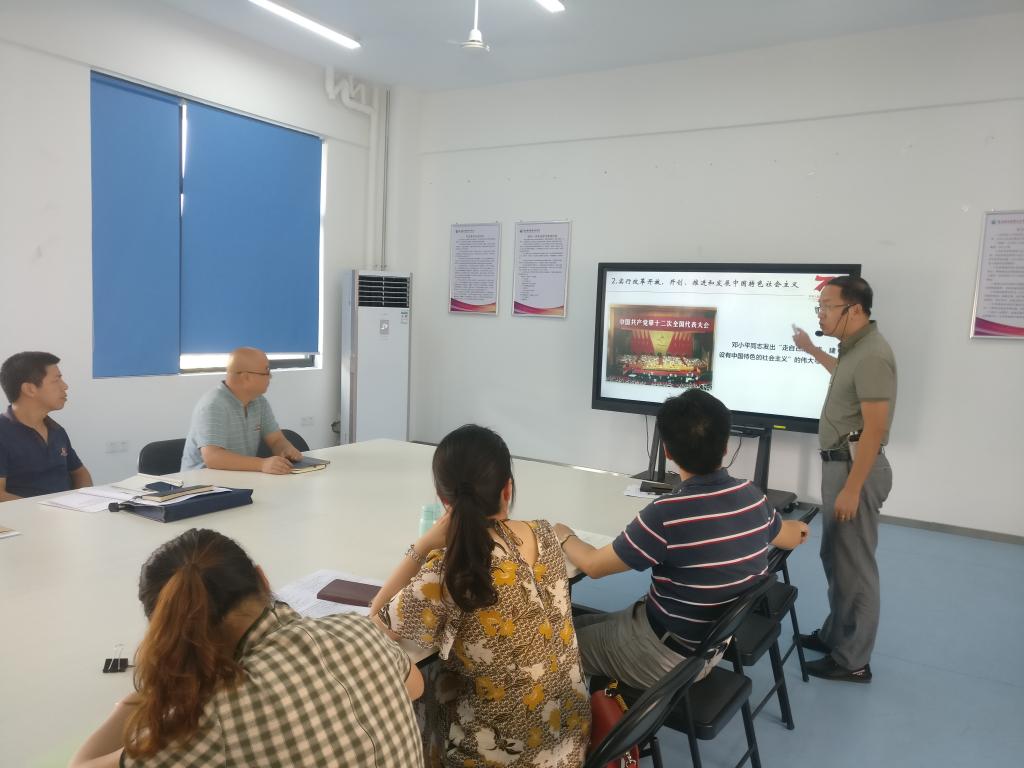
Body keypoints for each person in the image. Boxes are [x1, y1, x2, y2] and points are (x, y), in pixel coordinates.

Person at [69, 528, 424, 768]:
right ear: (263, 578)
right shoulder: (357, 629)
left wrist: (145, 695)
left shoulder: (211, 717)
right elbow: (415, 686)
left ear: (171, 629)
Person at [554, 389, 809, 690]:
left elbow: (594, 566)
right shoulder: (752, 496)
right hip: (708, 644)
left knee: (552, 650)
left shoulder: (666, 514)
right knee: (574, 626)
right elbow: (790, 536)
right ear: (725, 447)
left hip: (665, 658)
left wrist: (563, 535)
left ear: (667, 451)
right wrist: (800, 529)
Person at [368, 425, 590, 767]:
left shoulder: (451, 568)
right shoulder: (545, 533)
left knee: (421, 694)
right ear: (507, 488)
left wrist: (423, 545)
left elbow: (377, 620)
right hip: (571, 744)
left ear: (444, 501)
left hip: (501, 759)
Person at [791, 274, 896, 683]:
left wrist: (852, 488)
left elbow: (874, 429)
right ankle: (835, 636)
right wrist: (812, 349)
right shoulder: (855, 350)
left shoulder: (872, 355)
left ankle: (854, 661)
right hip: (840, 466)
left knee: (856, 566)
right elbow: (843, 376)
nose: (820, 314)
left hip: (856, 470)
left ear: (854, 309)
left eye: (826, 307)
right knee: (836, 558)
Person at [181, 347, 302, 473]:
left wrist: (285, 449)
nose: (270, 376)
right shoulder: (214, 405)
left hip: (238, 479)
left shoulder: (259, 402)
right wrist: (262, 464)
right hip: (201, 482)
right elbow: (213, 457)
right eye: (266, 371)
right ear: (246, 377)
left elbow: (276, 440)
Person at [0, 351, 92, 501]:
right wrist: (44, 510)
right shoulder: (3, 433)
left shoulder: (56, 430)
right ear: (30, 389)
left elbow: (80, 472)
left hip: (66, 511)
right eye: (56, 380)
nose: (65, 386)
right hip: (24, 515)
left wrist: (84, 501)